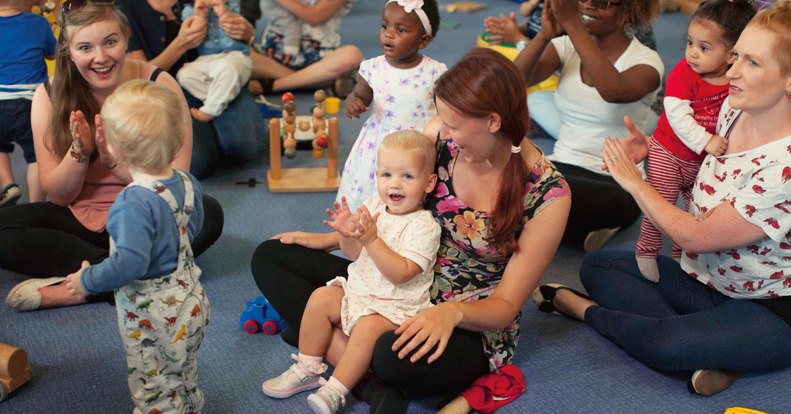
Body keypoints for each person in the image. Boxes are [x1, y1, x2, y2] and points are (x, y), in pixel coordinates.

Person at [251, 48, 571, 412]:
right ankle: (362, 374)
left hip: (466, 321)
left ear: (493, 122)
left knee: (392, 356)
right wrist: (330, 239)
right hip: (393, 278)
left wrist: (451, 313)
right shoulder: (440, 137)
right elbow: (394, 208)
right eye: (443, 120)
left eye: (454, 124)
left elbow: (505, 307)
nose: (444, 131)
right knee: (272, 256)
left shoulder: (550, 194)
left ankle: (342, 356)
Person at [533, 1, 791, 397]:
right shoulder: (734, 110)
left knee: (668, 345)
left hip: (768, 306)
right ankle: (720, 349)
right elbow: (700, 158)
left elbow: (696, 237)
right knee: (600, 266)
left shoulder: (784, 166)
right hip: (705, 278)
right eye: (735, 55)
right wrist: (656, 147)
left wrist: (636, 183)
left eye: (752, 63)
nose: (732, 70)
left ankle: (582, 310)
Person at [1, 2, 222, 312]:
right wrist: (80, 152)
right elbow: (60, 195)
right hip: (80, 219)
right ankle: (129, 274)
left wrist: (114, 163)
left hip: (145, 217)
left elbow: (175, 186)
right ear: (68, 49)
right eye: (85, 47)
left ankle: (82, 286)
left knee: (208, 212)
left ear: (126, 38)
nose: (101, 57)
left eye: (110, 42)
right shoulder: (48, 95)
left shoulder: (160, 85)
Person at [263, 130, 441, 414]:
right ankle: (308, 367)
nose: (395, 184)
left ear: (429, 183)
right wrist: (347, 233)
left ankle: (336, 389)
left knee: (367, 328)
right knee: (321, 297)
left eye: (407, 176)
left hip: (395, 306)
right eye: (386, 175)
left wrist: (371, 238)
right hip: (360, 291)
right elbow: (354, 254)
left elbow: (402, 273)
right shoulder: (373, 206)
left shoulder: (424, 225)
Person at [64, 79, 209, 414]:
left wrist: (86, 281)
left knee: (153, 386)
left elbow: (128, 263)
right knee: (182, 369)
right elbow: (194, 227)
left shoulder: (131, 202)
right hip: (192, 303)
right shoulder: (187, 181)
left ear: (113, 149)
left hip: (152, 316)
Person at [514, 0, 664, 252]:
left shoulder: (648, 62)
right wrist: (543, 36)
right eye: (582, 0)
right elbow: (511, 83)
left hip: (616, 183)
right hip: (560, 166)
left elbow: (612, 90)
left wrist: (572, 25)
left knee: (542, 187)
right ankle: (572, 230)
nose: (588, 7)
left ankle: (541, 223)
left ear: (629, 9)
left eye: (602, 2)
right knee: (504, 169)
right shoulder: (564, 46)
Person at [636, 0, 756, 281]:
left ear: (731, 55)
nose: (692, 53)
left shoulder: (733, 80)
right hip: (668, 152)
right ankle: (647, 249)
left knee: (699, 210)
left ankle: (682, 253)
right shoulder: (683, 72)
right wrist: (706, 141)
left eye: (704, 48)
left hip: (702, 163)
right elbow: (677, 114)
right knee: (660, 204)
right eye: (690, 42)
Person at [117, 0, 263, 179]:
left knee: (248, 147)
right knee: (197, 164)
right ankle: (213, 133)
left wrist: (248, 33)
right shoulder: (126, 6)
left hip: (215, 78)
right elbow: (139, 76)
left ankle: (215, 129)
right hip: (170, 90)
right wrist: (181, 45)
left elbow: (237, 49)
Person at [338, 0, 445, 209]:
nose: (389, 34)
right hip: (381, 145)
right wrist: (354, 102)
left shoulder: (434, 72)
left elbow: (445, 111)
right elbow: (359, 95)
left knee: (418, 192)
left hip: (419, 147)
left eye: (401, 30)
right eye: (385, 26)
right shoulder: (374, 68)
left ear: (423, 40)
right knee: (374, 191)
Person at [0, 0, 56, 206]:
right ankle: (35, 204)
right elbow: (52, 53)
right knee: (35, 157)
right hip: (31, 104)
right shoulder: (38, 23)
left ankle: (9, 185)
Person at [249, 0, 362, 97]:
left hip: (320, 61)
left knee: (352, 55)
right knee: (241, 52)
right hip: (274, 58)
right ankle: (316, 83)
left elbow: (315, 16)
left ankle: (270, 86)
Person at [178, 0, 253, 122]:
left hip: (233, 56)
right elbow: (191, 37)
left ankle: (210, 110)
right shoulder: (189, 10)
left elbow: (239, 27)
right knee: (184, 75)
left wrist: (224, 14)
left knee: (229, 69)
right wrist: (199, 16)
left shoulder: (234, 4)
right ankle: (222, 96)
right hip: (205, 59)